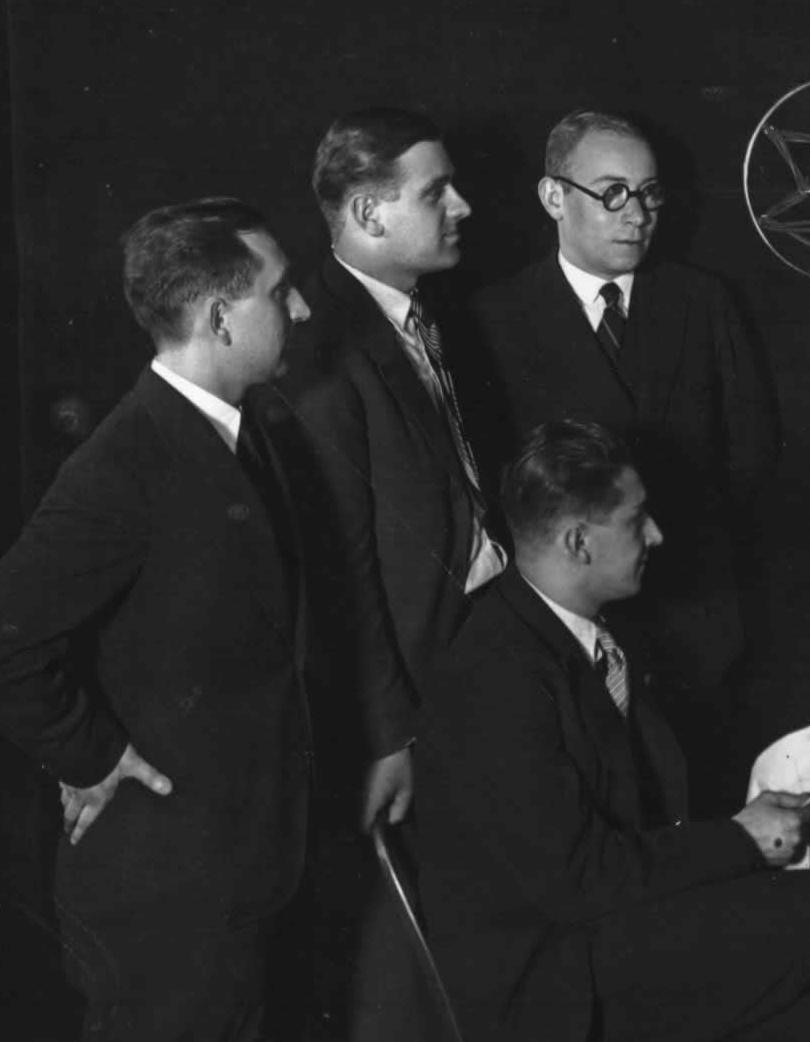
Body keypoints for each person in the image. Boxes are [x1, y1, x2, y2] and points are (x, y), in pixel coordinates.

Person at [411, 418, 810, 1042]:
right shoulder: (496, 672)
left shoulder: (574, 631)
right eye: (636, 519)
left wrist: (751, 824)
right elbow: (578, 881)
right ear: (578, 542)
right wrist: (742, 841)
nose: (656, 535)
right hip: (553, 987)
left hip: (602, 936)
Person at [0, 198, 310, 1038]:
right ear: (219, 317)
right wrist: (91, 754)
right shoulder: (122, 463)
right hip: (165, 902)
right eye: (280, 292)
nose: (302, 308)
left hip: (237, 872)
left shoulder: (249, 433)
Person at [273, 106, 500, 1033]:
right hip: (406, 702)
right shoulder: (320, 343)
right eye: (436, 192)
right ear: (368, 214)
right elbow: (342, 566)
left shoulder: (421, 315)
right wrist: (386, 732)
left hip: (464, 666)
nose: (463, 206)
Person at [470, 109, 777, 702]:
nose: (636, 215)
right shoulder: (494, 318)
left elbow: (752, 455)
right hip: (569, 636)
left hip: (699, 626)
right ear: (554, 197)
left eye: (649, 193)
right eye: (612, 193)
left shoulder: (703, 302)